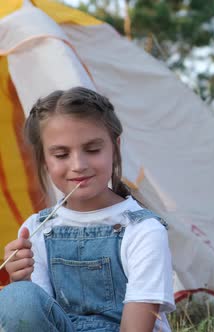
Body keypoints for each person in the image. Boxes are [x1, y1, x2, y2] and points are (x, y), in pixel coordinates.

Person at [0, 87, 175, 332]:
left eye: (92, 150)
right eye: (61, 154)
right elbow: (37, 318)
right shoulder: (36, 229)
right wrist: (22, 281)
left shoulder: (143, 230)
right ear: (44, 161)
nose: (78, 165)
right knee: (17, 296)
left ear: (115, 149)